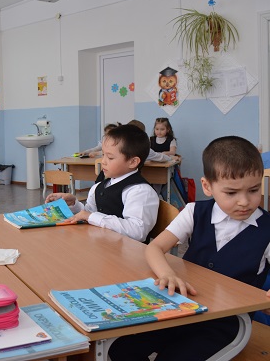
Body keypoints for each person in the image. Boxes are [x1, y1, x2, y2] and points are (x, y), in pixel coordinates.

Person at [109, 136, 270, 361]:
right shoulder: (195, 212)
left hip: (225, 325)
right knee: (120, 348)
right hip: (180, 310)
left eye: (253, 190)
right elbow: (155, 248)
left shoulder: (266, 228)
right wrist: (167, 274)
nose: (244, 201)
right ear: (207, 186)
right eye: (232, 193)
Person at [46, 124, 159, 242]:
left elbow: (137, 231)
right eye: (103, 154)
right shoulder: (100, 186)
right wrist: (74, 204)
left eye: (110, 158)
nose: (103, 161)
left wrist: (91, 216)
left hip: (126, 251)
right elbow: (90, 213)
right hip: (101, 244)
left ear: (133, 162)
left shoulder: (140, 191)